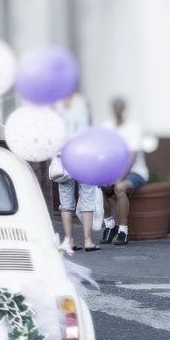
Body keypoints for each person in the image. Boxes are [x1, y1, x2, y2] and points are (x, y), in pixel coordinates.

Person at [51, 93, 100, 252]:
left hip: (63, 158)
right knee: (87, 196)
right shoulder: (84, 105)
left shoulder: (56, 107)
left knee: (65, 203)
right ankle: (88, 240)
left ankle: (69, 240)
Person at [100, 98, 148, 246]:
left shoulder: (133, 128)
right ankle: (110, 226)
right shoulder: (106, 126)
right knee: (101, 184)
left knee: (119, 187)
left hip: (135, 171)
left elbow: (132, 156)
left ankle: (123, 231)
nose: (117, 110)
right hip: (115, 170)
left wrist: (118, 177)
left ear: (124, 109)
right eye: (114, 107)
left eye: (120, 107)